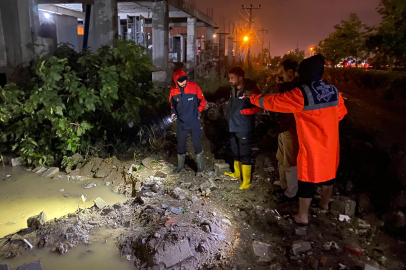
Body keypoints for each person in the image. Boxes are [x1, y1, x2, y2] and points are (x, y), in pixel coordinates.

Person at [245, 55, 347, 224]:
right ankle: (324, 205)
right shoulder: (333, 90)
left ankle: (302, 216)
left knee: (307, 178)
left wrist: (254, 98)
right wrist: (325, 123)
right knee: (329, 175)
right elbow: (341, 114)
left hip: (312, 143)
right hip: (330, 143)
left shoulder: (302, 94)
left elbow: (274, 102)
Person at [224, 67, 263, 190]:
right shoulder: (233, 90)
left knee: (245, 152)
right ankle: (237, 173)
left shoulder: (251, 90)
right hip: (233, 125)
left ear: (240, 78)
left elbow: (260, 107)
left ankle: (246, 181)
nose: (230, 80)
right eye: (229, 78)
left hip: (244, 126)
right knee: (235, 150)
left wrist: (245, 112)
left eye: (232, 78)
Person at [169, 69, 207, 175]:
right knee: (180, 145)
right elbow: (173, 105)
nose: (183, 82)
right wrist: (173, 113)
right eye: (180, 81)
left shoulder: (194, 87)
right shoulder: (173, 90)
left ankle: (200, 168)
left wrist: (198, 112)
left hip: (194, 122)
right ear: (176, 81)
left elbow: (203, 102)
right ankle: (180, 166)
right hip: (181, 123)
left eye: (184, 80)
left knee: (197, 144)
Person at [275, 59, 300, 201]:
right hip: (284, 127)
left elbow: (279, 101)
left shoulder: (296, 88)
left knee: (290, 161)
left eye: (281, 72)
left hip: (291, 129)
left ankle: (291, 192)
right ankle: (284, 185)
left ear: (290, 72)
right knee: (281, 158)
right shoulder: (288, 85)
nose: (280, 75)